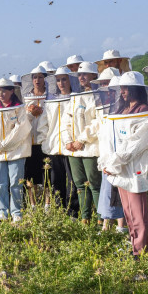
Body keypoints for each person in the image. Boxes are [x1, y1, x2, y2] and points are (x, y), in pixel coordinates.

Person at [98, 72, 148, 256]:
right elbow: (107, 140)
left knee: (138, 215)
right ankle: (134, 247)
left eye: (127, 88)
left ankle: (140, 251)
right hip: (119, 171)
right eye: (121, 88)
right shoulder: (120, 112)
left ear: (136, 90)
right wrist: (106, 163)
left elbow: (134, 146)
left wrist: (113, 163)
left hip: (135, 170)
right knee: (128, 213)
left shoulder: (143, 112)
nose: (123, 92)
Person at [0, 77, 32, 222]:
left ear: (12, 91)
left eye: (4, 91)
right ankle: (2, 211)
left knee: (16, 182)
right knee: (0, 183)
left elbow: (21, 130)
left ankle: (16, 212)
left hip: (16, 152)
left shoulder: (19, 109)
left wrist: (5, 145)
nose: (1, 94)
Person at [89, 67, 127, 234]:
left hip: (120, 157)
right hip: (106, 156)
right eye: (102, 84)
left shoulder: (125, 105)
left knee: (118, 191)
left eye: (107, 83)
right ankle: (106, 226)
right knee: (107, 191)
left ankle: (121, 226)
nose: (104, 87)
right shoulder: (104, 106)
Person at [65, 62, 103, 224]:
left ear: (94, 76)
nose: (81, 77)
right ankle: (85, 218)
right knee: (80, 185)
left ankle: (102, 219)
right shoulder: (75, 97)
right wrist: (68, 141)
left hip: (91, 147)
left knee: (94, 184)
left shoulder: (99, 95)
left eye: (85, 74)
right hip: (73, 148)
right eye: (80, 75)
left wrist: (81, 140)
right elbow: (66, 121)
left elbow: (98, 122)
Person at [44, 66, 79, 214]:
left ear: (70, 80)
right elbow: (44, 124)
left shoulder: (76, 98)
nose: (61, 83)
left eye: (64, 79)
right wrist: (45, 141)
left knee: (72, 181)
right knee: (55, 180)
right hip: (53, 146)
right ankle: (59, 209)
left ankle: (73, 210)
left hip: (70, 146)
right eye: (58, 80)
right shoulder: (50, 101)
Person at [19, 64, 52, 201]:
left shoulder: (50, 97)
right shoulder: (26, 98)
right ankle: (32, 204)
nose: (37, 80)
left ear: (45, 79)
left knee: (47, 175)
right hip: (29, 142)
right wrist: (31, 113)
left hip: (46, 141)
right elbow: (21, 120)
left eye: (40, 77)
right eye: (34, 77)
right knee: (29, 175)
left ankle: (47, 204)